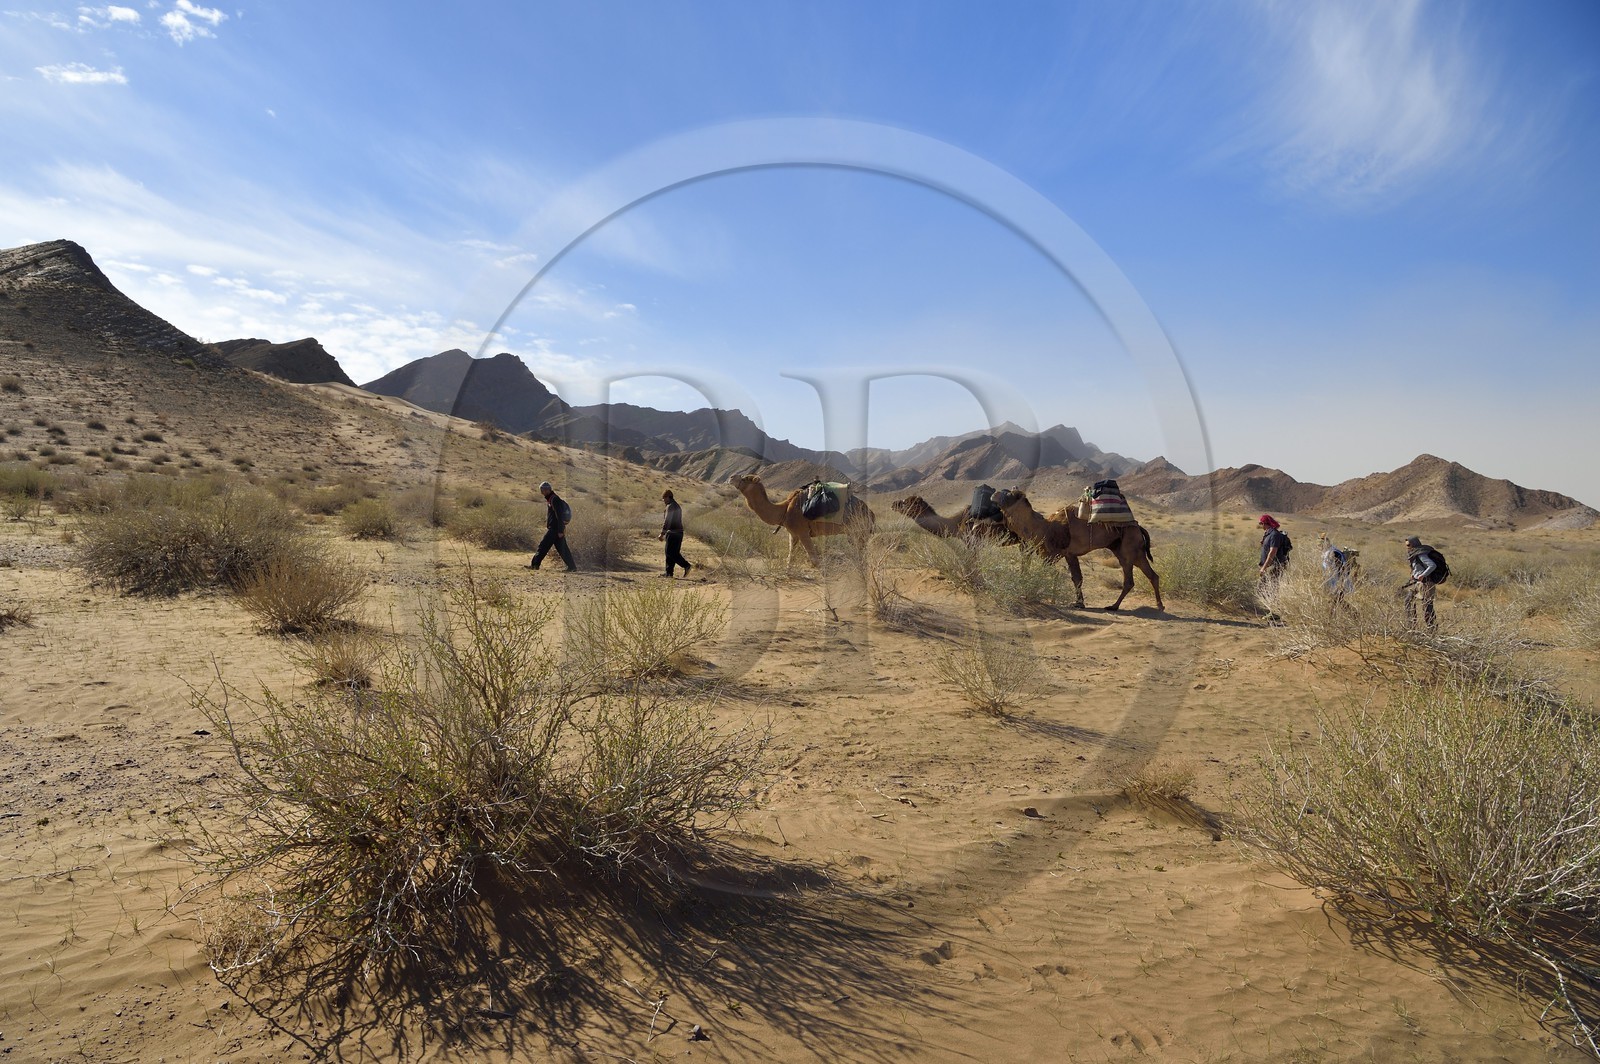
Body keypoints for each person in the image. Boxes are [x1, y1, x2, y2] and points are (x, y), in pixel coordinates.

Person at [528, 480, 577, 572]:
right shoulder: (551, 499)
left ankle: (535, 565)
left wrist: (560, 531)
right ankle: (572, 567)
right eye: (541, 489)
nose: (542, 491)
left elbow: (559, 516)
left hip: (555, 529)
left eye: (543, 489)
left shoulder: (554, 499)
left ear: (548, 490)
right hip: (556, 529)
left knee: (542, 546)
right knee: (563, 549)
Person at [1402, 534, 1442, 629]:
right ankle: (1411, 625)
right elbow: (1418, 567)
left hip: (1426, 584)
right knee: (1408, 601)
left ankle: (1431, 629)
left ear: (1414, 544)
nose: (1407, 547)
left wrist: (1423, 575)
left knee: (1427, 607)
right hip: (1416, 583)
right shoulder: (1415, 553)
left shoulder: (1421, 554)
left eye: (1408, 545)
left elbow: (1432, 565)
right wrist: (1414, 574)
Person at [1257, 514, 1291, 620]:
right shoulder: (1268, 534)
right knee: (1264, 588)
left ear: (1266, 523)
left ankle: (1274, 612)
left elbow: (1273, 552)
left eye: (1261, 523)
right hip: (1269, 566)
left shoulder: (1274, 535)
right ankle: (1272, 611)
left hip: (1275, 565)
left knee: (1271, 588)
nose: (1260, 525)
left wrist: (1264, 567)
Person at [659, 489, 693, 578]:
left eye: (664, 498)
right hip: (679, 533)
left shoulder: (670, 506)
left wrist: (662, 533)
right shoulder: (677, 505)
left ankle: (686, 566)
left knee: (670, 552)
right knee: (672, 552)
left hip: (673, 533)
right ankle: (669, 573)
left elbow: (667, 521)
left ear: (668, 497)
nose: (663, 501)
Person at [1318, 531, 1358, 606]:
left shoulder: (1333, 552)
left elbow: (1341, 568)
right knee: (1336, 601)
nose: (1319, 547)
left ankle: (1354, 614)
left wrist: (1340, 583)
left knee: (1338, 600)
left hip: (1337, 581)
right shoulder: (1326, 552)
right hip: (1331, 581)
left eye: (1320, 545)